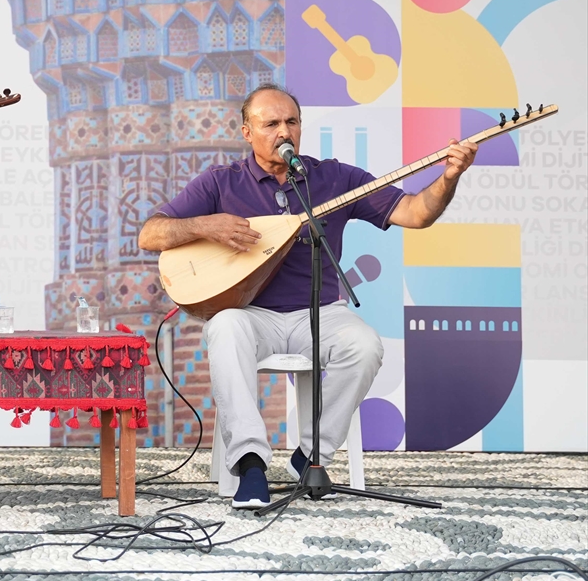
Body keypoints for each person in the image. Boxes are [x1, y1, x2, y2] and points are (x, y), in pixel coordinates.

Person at [138, 85, 477, 509]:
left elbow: (416, 212)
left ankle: (311, 455)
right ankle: (250, 464)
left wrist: (449, 177)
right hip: (253, 314)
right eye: (271, 124)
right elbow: (150, 233)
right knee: (223, 326)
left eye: (292, 122)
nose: (284, 132)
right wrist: (206, 226)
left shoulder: (336, 178)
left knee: (364, 345)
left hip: (319, 313)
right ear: (247, 131)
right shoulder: (222, 182)